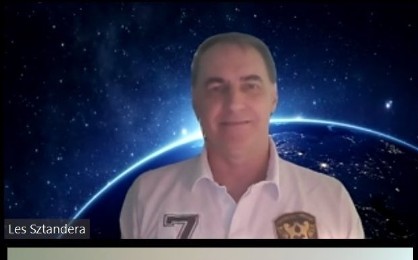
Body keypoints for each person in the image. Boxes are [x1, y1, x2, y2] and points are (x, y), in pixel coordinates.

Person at [120, 32, 364, 239]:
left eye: (251, 86)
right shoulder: (147, 195)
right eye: (216, 88)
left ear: (274, 97)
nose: (234, 103)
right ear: (195, 102)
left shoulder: (332, 200)